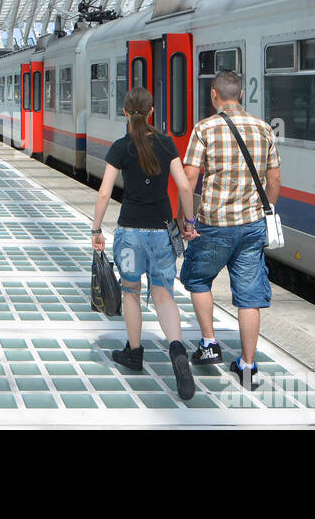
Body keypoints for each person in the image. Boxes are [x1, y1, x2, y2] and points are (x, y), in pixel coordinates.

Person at [91, 88, 198, 400]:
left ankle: (134, 353)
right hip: (163, 231)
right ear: (152, 112)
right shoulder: (166, 143)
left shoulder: (121, 147)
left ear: (125, 113)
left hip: (130, 233)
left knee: (131, 293)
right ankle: (177, 352)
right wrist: (188, 224)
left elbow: (103, 193)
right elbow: (184, 188)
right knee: (164, 296)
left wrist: (96, 229)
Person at [179, 70, 282, 388]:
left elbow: (190, 178)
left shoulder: (204, 128)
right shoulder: (263, 128)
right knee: (249, 296)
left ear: (213, 95)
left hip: (213, 224)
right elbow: (274, 178)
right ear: (241, 95)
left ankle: (209, 345)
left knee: (197, 278)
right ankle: (248, 367)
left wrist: (187, 220)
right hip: (251, 225)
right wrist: (267, 211)